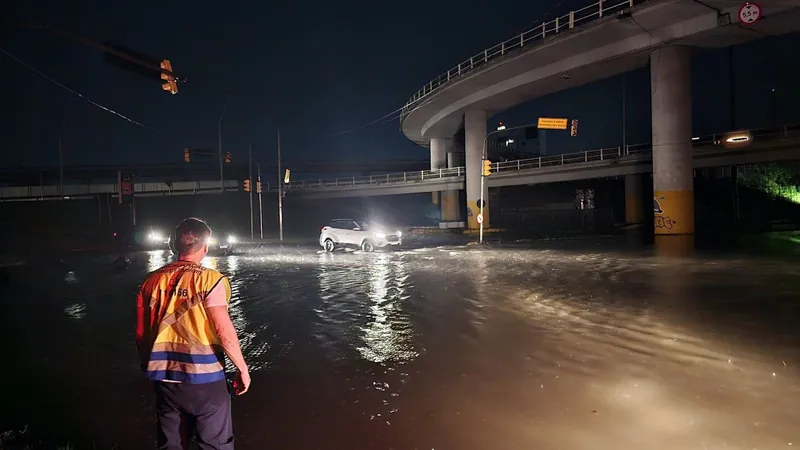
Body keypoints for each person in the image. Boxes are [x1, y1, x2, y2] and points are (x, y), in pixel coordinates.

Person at [136, 217, 250, 450]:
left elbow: (141, 333)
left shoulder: (149, 281)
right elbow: (222, 329)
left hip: (164, 378)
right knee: (215, 443)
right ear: (205, 247)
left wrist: (149, 365)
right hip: (206, 379)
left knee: (171, 443)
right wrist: (242, 368)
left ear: (173, 245)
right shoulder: (211, 280)